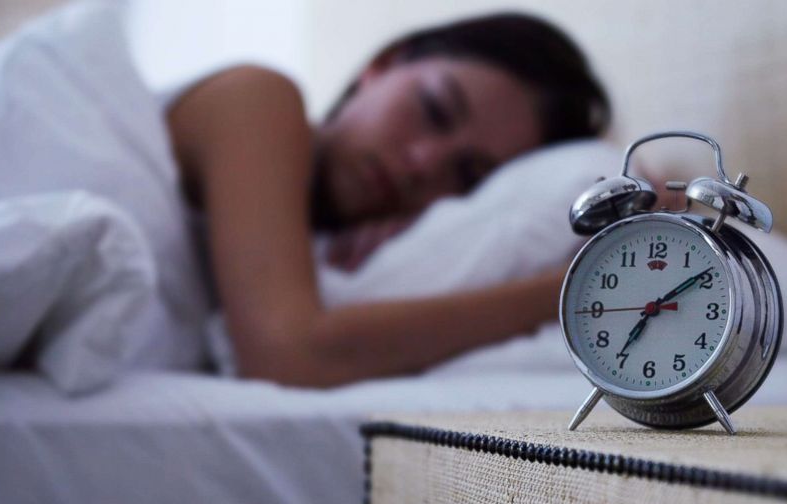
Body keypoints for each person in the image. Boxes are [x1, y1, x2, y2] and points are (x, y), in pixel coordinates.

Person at [166, 13, 610, 387]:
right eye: (434, 110)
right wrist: (571, 290)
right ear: (381, 66)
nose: (421, 164)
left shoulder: (323, 244)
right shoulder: (258, 98)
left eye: (466, 176)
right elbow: (290, 355)